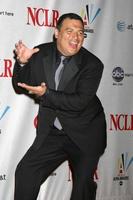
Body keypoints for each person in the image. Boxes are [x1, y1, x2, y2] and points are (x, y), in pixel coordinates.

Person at [12, 13, 106, 200]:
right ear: (56, 33)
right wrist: (22, 63)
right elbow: (20, 85)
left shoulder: (92, 64)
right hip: (53, 133)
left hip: (85, 133)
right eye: (69, 31)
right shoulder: (41, 53)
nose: (76, 37)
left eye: (80, 33)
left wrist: (46, 94)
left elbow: (78, 102)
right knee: (25, 173)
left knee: (82, 188)